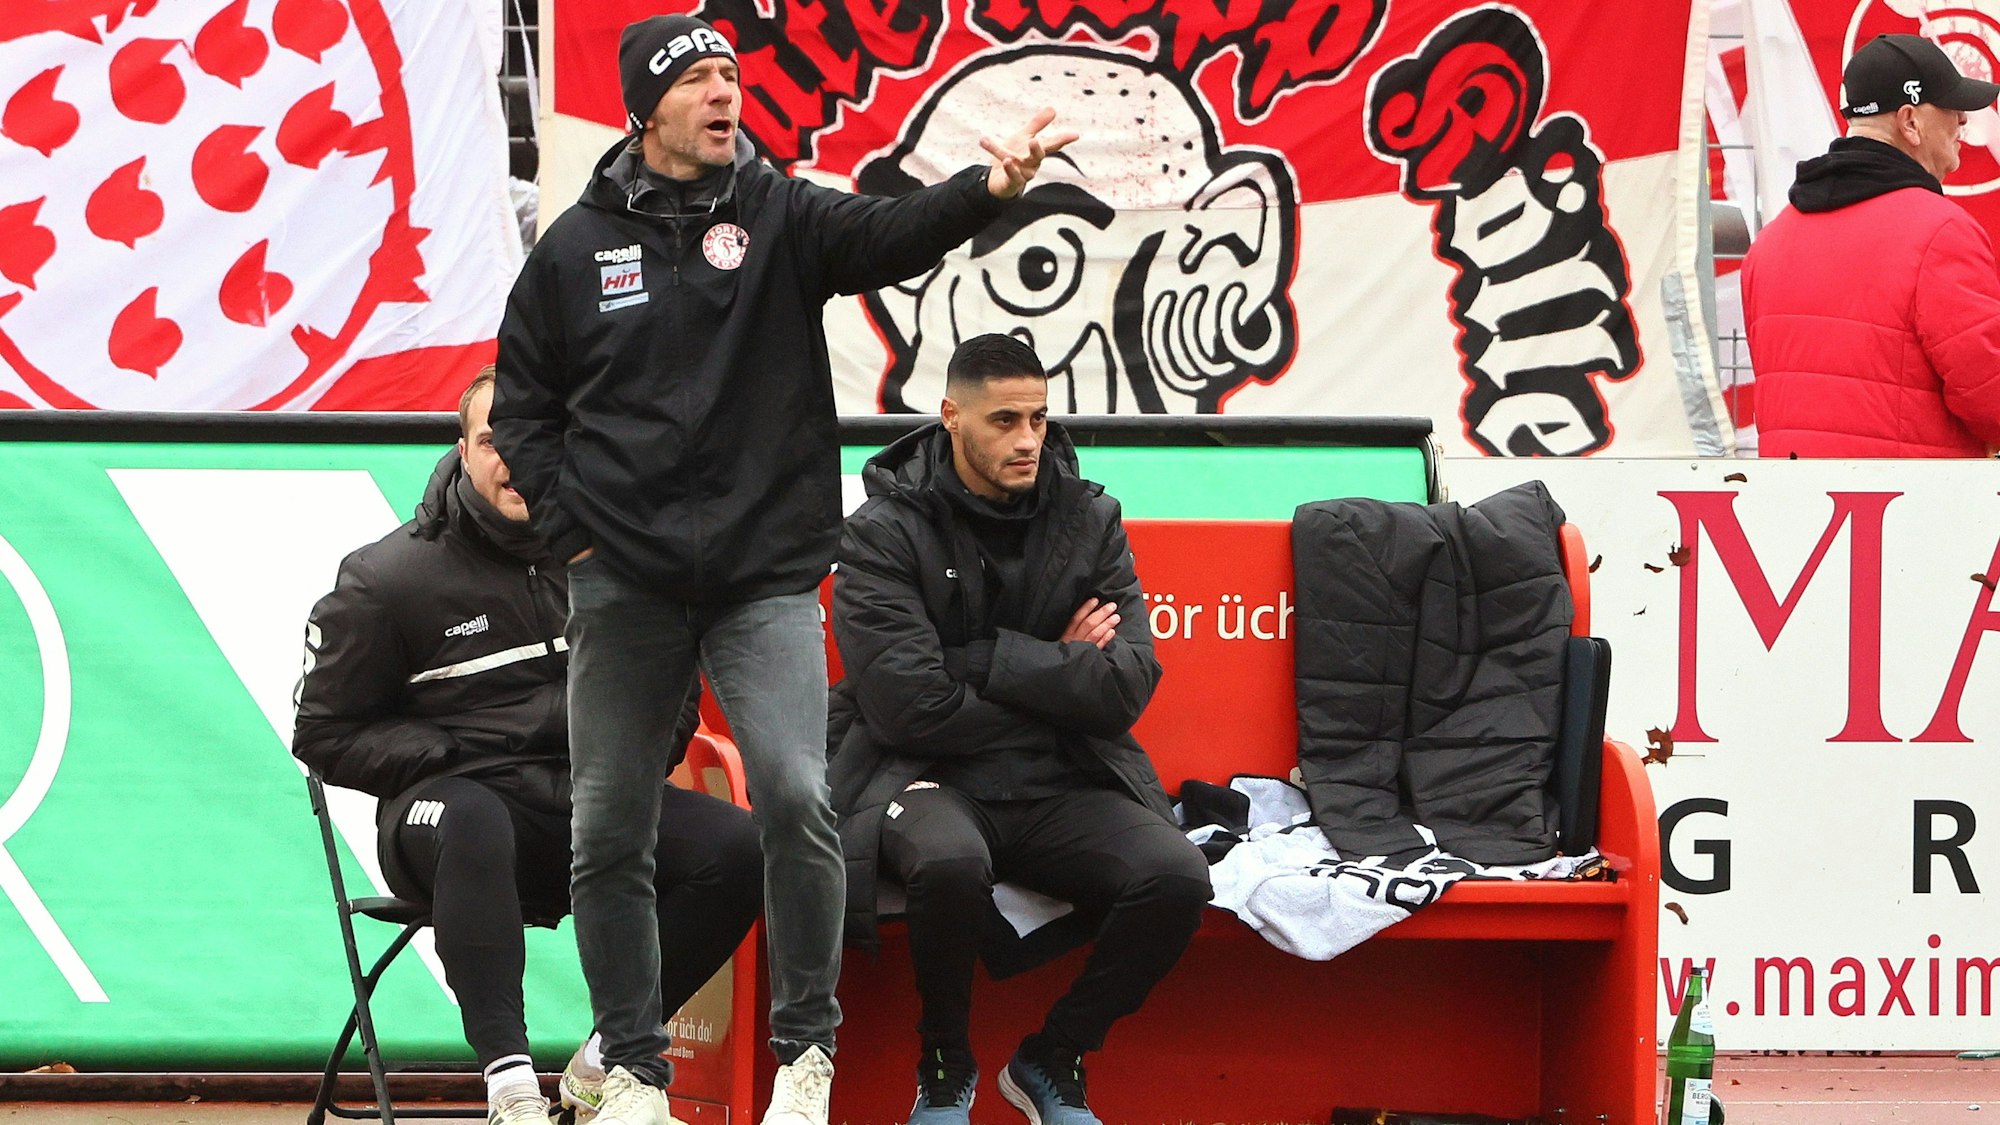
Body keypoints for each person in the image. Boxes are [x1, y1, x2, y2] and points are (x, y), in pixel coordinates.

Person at [490, 12, 1076, 1125]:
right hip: (624, 582)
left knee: (799, 795)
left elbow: (891, 235)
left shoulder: (779, 213)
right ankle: (634, 1071)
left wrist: (987, 190)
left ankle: (805, 1056)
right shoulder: (573, 248)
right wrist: (576, 533)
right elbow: (521, 406)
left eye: (731, 75)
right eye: (699, 79)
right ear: (645, 107)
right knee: (608, 826)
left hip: (763, 574)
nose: (725, 93)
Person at [293, 369, 763, 1125]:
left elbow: (675, 689)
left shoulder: (625, 557)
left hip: (590, 806)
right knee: (476, 818)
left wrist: (628, 762)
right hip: (448, 815)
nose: (514, 458)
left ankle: (605, 1060)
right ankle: (510, 1089)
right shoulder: (388, 577)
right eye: (493, 440)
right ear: (464, 451)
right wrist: (450, 751)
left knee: (740, 846)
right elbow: (323, 734)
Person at [826, 334, 1212, 1125]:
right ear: (951, 417)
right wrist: (1056, 663)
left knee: (1176, 874)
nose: (1028, 438)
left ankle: (1052, 1056)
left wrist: (979, 659)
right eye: (1004, 420)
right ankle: (944, 1066)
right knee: (949, 861)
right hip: (920, 772)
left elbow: (1126, 684)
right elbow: (907, 706)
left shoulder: (1090, 517)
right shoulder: (882, 529)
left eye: (1038, 417)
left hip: (1056, 774)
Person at [1742, 32, 2000, 457]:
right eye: (1951, 107)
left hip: (1794, 496)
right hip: (1908, 495)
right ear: (1910, 122)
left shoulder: (1770, 243)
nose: (1962, 121)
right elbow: (1991, 397)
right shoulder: (1941, 232)